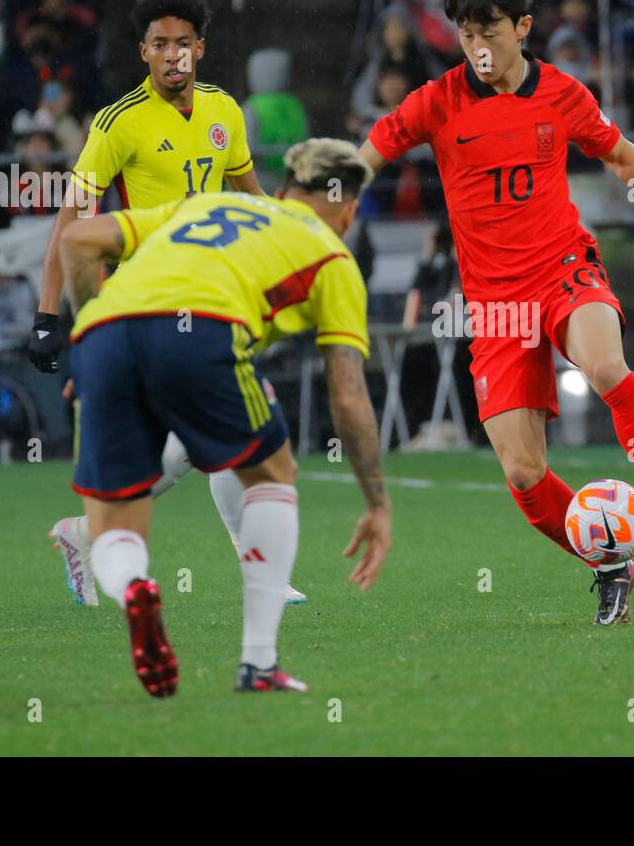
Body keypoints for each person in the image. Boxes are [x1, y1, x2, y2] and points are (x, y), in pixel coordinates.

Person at [358, 0, 634, 627]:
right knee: (521, 471)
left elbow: (612, 145)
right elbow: (375, 147)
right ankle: (609, 565)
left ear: (522, 25)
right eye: (466, 35)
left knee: (605, 365)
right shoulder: (438, 100)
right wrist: (339, 186)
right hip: (494, 304)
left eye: (490, 31)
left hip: (564, 267)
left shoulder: (562, 93)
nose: (479, 49)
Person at [57, 139, 391, 697]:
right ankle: (258, 663)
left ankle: (136, 585)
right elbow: (349, 396)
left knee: (114, 526)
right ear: (350, 211)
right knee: (274, 472)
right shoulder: (333, 259)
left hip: (106, 332)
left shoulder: (205, 205)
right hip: (202, 333)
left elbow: (78, 239)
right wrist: (377, 503)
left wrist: (90, 338)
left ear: (281, 191)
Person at [23, 0, 309, 605]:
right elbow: (71, 221)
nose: (173, 54)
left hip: (211, 295)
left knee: (215, 440)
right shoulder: (117, 123)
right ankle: (95, 532)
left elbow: (249, 193)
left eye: (183, 43)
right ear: (144, 52)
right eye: (160, 44)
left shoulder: (224, 112)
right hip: (143, 303)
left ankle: (90, 533)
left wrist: (297, 235)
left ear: (200, 49)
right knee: (218, 436)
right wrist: (49, 315)